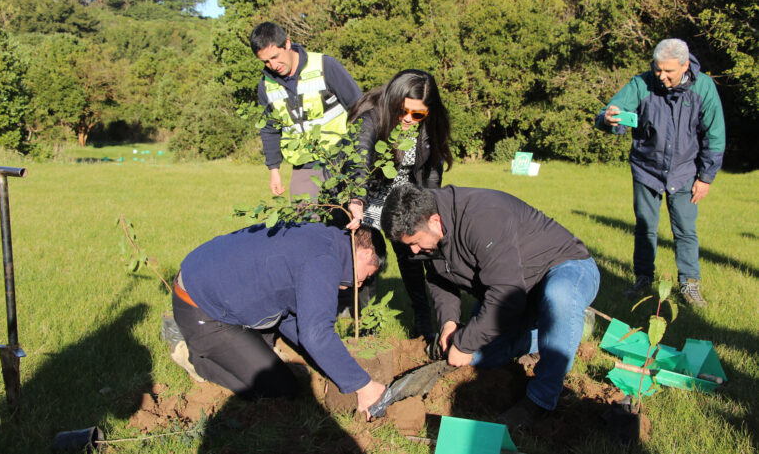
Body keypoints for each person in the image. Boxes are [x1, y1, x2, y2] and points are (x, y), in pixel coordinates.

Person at [380, 184, 600, 429]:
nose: (414, 251)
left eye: (417, 243)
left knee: (558, 296)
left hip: (565, 269)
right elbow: (439, 278)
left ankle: (542, 397)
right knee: (481, 357)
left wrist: (464, 342)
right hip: (517, 291)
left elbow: (507, 293)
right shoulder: (426, 229)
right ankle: (556, 333)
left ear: (434, 221)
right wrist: (449, 322)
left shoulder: (481, 216)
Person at [171, 222, 387, 417]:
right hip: (201, 308)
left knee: (274, 364)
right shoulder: (324, 260)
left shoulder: (324, 240)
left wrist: (329, 363)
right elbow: (315, 335)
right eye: (367, 275)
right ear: (366, 254)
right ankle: (196, 359)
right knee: (280, 389)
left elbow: (294, 319)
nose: (360, 285)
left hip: (215, 290)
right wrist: (365, 387)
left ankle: (234, 348)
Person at [595, 38, 726, 306]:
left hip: (685, 171)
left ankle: (689, 283)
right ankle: (643, 280)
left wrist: (705, 178)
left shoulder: (704, 87)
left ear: (685, 65)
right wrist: (610, 118)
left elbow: (715, 136)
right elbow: (610, 112)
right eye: (658, 69)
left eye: (669, 71)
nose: (662, 76)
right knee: (645, 228)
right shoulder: (641, 84)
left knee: (685, 229)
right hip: (647, 169)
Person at [345, 69, 453, 338]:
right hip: (370, 194)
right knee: (369, 254)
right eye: (402, 111)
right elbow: (359, 158)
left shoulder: (430, 126)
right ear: (393, 102)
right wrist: (357, 199)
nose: (408, 119)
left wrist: (429, 207)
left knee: (412, 254)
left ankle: (424, 321)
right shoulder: (372, 116)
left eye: (417, 115)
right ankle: (366, 324)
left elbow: (432, 171)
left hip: (404, 195)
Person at [250, 21, 363, 198]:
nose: (273, 65)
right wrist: (274, 169)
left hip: (343, 159)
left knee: (350, 221)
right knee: (304, 223)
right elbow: (270, 129)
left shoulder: (325, 66)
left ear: (287, 43)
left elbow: (360, 108)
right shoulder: (266, 85)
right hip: (304, 168)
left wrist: (362, 153)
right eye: (266, 61)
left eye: (276, 56)